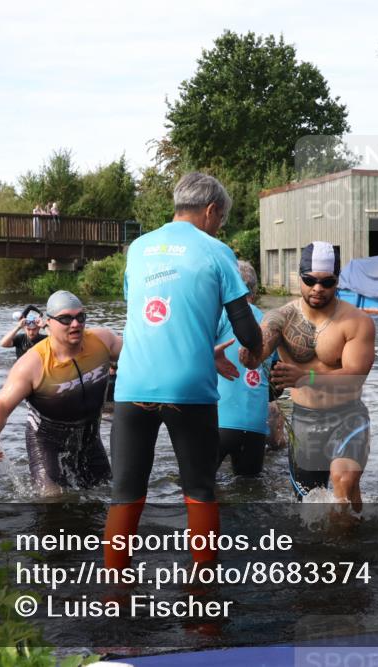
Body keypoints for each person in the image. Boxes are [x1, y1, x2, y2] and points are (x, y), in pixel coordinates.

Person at [104, 172, 263, 572]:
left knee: (125, 494)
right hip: (189, 390)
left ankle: (114, 590)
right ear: (211, 211)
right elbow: (246, 330)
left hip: (132, 386)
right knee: (200, 491)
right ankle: (202, 588)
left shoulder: (138, 248)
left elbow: (152, 321)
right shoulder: (217, 251)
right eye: (221, 218)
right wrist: (255, 352)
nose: (219, 225)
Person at [241, 241, 375, 511]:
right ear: (299, 277)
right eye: (310, 280)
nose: (317, 288)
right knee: (309, 509)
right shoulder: (281, 318)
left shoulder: (357, 322)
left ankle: (348, 534)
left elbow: (354, 376)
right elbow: (258, 351)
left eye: (327, 282)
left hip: (347, 417)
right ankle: (352, 524)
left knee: (342, 481)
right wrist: (250, 354)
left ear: (337, 281)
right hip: (304, 423)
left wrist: (306, 377)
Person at [0, 290, 122, 495]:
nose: (75, 324)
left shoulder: (102, 341)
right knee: (53, 501)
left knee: (107, 492)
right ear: (48, 323)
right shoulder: (32, 364)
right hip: (47, 443)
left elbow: (139, 356)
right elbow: (0, 405)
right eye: (65, 319)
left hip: (89, 438)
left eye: (80, 317)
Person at [215, 260, 280, 476]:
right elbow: (276, 385)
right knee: (249, 489)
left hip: (219, 422)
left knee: (197, 487)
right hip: (255, 428)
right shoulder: (270, 323)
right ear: (254, 291)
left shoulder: (220, 314)